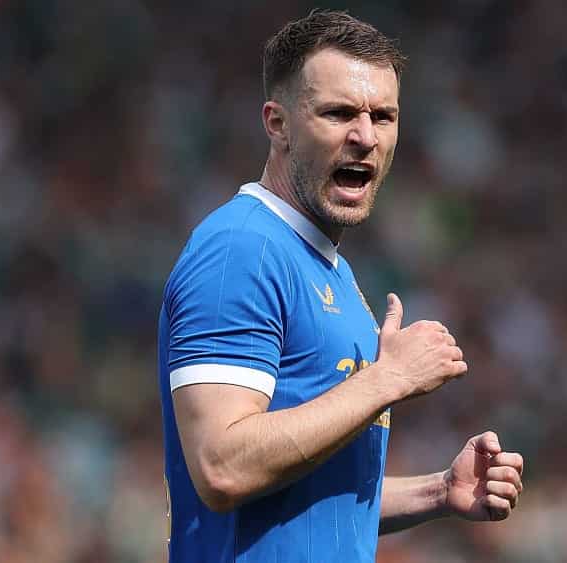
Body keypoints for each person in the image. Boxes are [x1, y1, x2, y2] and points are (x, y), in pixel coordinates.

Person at [158, 10, 524, 563]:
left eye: (383, 116)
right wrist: (388, 379)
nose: (365, 136)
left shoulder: (331, 270)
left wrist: (439, 491)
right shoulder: (241, 249)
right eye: (338, 113)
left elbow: (308, 497)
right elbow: (222, 466)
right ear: (277, 124)